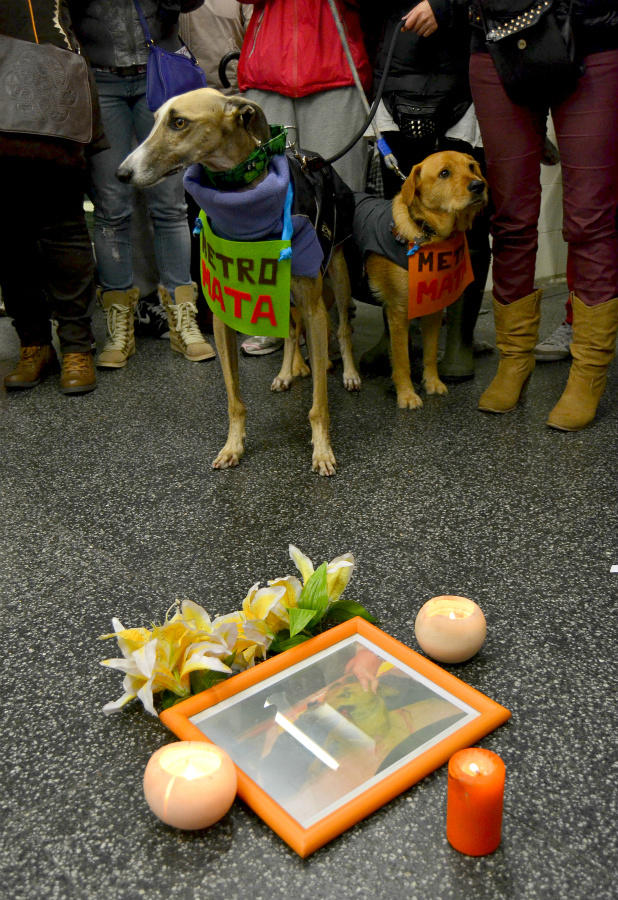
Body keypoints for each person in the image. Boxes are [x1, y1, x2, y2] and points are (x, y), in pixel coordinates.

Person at [470, 0, 618, 430]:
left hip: (593, 32)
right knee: (510, 217)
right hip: (497, 36)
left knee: (591, 219)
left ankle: (588, 371)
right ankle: (514, 359)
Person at [71, 0, 215, 369]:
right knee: (111, 207)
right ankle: (119, 327)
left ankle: (185, 322)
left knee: (170, 205)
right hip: (99, 77)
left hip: (160, 71)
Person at [233, 0, 373, 356]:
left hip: (336, 70)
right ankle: (276, 317)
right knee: (266, 202)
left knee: (337, 207)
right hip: (268, 74)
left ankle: (338, 317)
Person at [362, 0, 492, 381]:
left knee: (469, 214)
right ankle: (399, 334)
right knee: (400, 218)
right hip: (392, 78)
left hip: (460, 77)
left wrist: (446, 6)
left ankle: (459, 340)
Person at [0, 0, 105, 395]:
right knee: (9, 238)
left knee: (65, 229)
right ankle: (34, 344)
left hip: (56, 86)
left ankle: (78, 346)